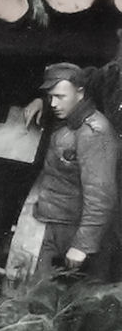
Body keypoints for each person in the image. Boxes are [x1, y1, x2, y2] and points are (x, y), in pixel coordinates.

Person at [31, 63, 118, 278]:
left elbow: (101, 195)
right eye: (50, 97)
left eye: (60, 96)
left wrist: (83, 245)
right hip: (52, 223)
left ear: (80, 93)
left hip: (75, 229)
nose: (53, 103)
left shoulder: (93, 133)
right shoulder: (68, 121)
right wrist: (39, 102)